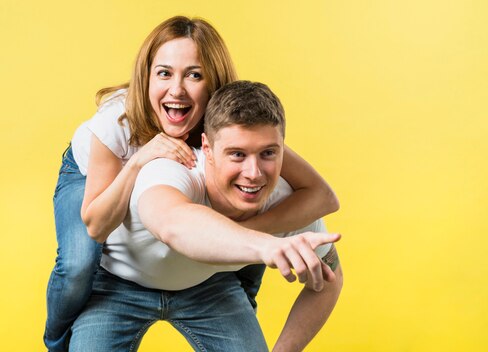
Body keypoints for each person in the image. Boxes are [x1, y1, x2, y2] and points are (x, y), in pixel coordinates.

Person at [44, 17, 339, 352]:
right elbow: (98, 225)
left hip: (198, 266)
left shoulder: (234, 126)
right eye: (164, 73)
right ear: (147, 77)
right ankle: (57, 342)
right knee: (77, 264)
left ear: (213, 83)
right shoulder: (117, 122)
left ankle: (236, 301)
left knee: (243, 213)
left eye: (194, 75)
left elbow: (323, 195)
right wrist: (139, 161)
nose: (177, 89)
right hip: (89, 173)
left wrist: (253, 233)